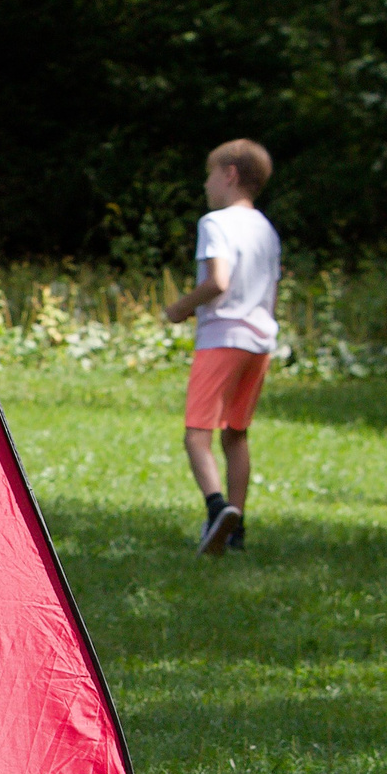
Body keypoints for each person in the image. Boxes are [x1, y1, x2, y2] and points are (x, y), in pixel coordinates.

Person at [162, 139, 280, 556]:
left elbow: (218, 281)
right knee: (236, 434)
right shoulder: (266, 228)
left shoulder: (216, 223)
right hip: (259, 340)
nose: (206, 184)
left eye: (210, 174)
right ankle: (238, 528)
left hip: (221, 338)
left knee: (197, 435)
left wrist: (178, 309)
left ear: (229, 174)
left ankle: (217, 511)